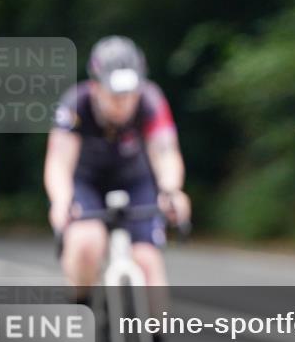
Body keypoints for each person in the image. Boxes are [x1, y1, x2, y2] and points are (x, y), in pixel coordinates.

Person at [44, 36, 191, 295]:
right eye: (114, 94)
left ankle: (155, 334)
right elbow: (58, 161)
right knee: (86, 243)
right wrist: (61, 200)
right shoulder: (75, 105)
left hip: (135, 179)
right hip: (86, 181)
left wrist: (171, 190)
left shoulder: (151, 100)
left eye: (130, 94)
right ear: (96, 86)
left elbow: (166, 152)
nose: (123, 102)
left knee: (147, 263)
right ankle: (83, 304)